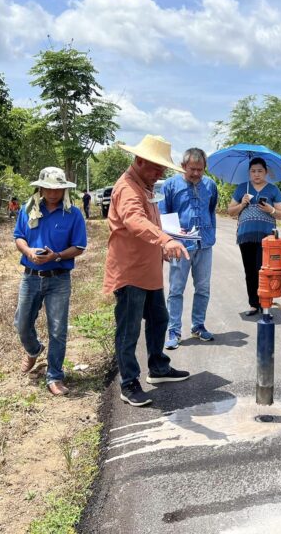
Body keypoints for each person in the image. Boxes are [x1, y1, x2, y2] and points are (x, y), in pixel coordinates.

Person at [104, 135, 191, 407]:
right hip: (130, 272)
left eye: (163, 170)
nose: (159, 174)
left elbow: (150, 224)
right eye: (156, 168)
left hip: (149, 270)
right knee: (128, 329)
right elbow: (134, 220)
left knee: (159, 319)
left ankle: (158, 366)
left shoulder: (145, 186)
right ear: (139, 161)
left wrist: (164, 242)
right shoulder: (128, 188)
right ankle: (129, 383)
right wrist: (165, 240)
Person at [14, 167, 87, 396]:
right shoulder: (28, 209)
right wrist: (28, 252)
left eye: (58, 189)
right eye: (49, 188)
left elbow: (79, 247)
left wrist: (56, 255)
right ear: (41, 188)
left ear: (65, 189)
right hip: (31, 276)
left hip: (58, 279)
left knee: (58, 329)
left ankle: (55, 376)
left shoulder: (73, 214)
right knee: (22, 323)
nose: (53, 193)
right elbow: (19, 236)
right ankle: (34, 349)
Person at [159, 148, 219, 349]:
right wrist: (166, 243)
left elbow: (211, 210)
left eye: (200, 169)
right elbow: (163, 215)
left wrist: (210, 234)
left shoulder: (210, 185)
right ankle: (174, 331)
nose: (195, 173)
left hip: (204, 245)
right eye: (192, 169)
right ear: (183, 166)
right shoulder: (169, 186)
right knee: (176, 289)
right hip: (179, 247)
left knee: (203, 288)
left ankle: (198, 326)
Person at [226, 157, 281, 316]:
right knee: (250, 271)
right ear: (249, 173)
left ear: (266, 172)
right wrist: (242, 203)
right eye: (253, 171)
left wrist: (270, 210)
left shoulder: (273, 190)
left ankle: (266, 303)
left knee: (266, 271)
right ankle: (254, 304)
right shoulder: (241, 189)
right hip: (246, 236)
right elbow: (230, 211)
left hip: (267, 239)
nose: (256, 174)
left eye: (260, 171)